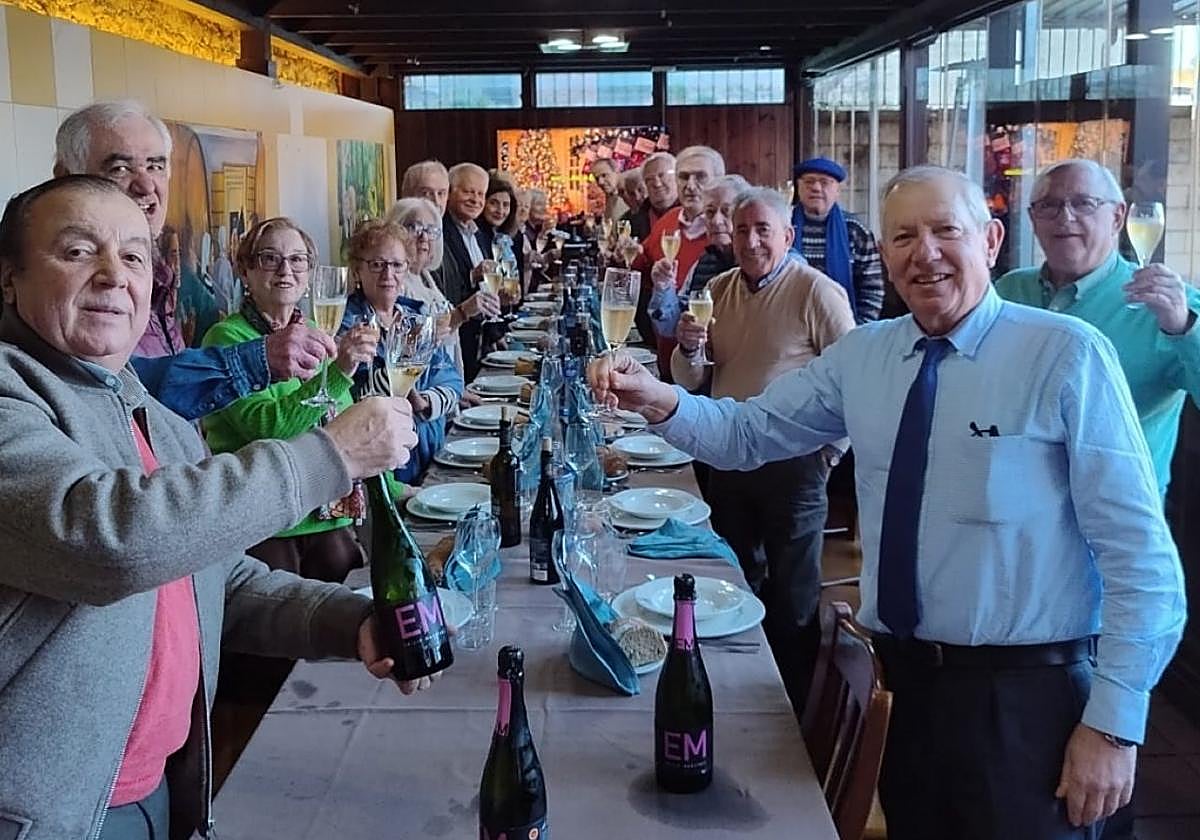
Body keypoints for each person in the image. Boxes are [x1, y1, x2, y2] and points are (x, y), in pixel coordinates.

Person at [589, 165, 1186, 840]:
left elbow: (1142, 560)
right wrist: (658, 399)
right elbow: (748, 432)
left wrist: (1113, 725)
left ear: (991, 241)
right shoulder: (867, 355)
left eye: (945, 231)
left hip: (1029, 700)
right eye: (903, 236)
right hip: (906, 688)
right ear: (884, 252)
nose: (924, 253)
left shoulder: (1066, 355)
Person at [0, 175, 426, 840]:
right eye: (78, 251)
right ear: (9, 279)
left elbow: (217, 577)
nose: (114, 275)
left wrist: (351, 624)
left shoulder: (153, 417)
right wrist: (331, 456)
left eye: (133, 255)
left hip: (159, 789)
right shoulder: (10, 398)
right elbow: (111, 539)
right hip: (45, 815)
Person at [672, 187, 853, 707]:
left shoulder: (816, 291)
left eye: (763, 230)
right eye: (742, 230)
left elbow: (854, 377)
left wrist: (829, 454)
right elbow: (691, 379)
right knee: (731, 579)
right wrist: (689, 348)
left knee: (794, 595)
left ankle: (792, 709)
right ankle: (733, 693)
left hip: (795, 464)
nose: (751, 241)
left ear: (787, 236)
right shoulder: (719, 289)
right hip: (728, 453)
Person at [53, 99, 336, 420]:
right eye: (120, 168)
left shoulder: (164, 275)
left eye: (155, 166)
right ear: (65, 177)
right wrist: (259, 360)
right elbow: (110, 388)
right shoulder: (60, 278)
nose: (146, 185)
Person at [996, 158, 1200, 500]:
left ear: (1118, 217)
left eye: (1083, 203)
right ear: (1033, 219)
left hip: (1116, 515)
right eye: (1049, 206)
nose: (1065, 217)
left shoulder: (1170, 306)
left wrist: (1183, 328)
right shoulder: (1010, 292)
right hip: (1015, 505)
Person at [202, 217, 378, 582]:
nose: (286, 270)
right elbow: (266, 429)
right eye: (270, 258)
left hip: (323, 510)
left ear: (309, 273)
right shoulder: (227, 338)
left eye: (297, 260)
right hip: (265, 513)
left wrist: (395, 488)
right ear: (246, 271)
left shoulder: (312, 331)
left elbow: (344, 425)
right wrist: (340, 371)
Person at [341, 219, 463, 484]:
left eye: (397, 265)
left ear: (407, 267)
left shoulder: (416, 315)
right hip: (383, 467)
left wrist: (425, 402)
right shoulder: (347, 326)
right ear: (357, 270)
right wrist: (407, 357)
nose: (388, 274)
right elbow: (357, 395)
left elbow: (452, 381)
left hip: (431, 450)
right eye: (377, 264)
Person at [639, 146, 725, 372]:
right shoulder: (667, 222)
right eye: (684, 177)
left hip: (715, 366)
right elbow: (645, 269)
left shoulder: (725, 235)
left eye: (700, 177)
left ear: (718, 180)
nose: (690, 185)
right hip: (670, 358)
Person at [647, 174, 750, 340]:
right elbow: (670, 327)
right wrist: (663, 287)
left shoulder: (758, 265)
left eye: (727, 212)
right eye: (710, 212)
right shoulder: (703, 262)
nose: (716, 221)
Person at [790, 157, 885, 324]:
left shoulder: (855, 230)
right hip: (790, 324)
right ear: (798, 187)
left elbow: (872, 288)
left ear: (837, 191)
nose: (816, 188)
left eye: (825, 182)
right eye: (809, 182)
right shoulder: (782, 225)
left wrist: (859, 331)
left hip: (843, 325)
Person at [435, 162, 502, 380]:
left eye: (481, 194)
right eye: (468, 192)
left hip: (477, 341)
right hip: (452, 340)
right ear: (450, 192)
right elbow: (443, 285)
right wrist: (473, 276)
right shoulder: (439, 232)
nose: (476, 199)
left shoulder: (479, 233)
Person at [387, 196, 466, 373]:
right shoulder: (394, 283)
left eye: (430, 230)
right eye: (414, 228)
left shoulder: (426, 277)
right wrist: (464, 312)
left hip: (444, 383)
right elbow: (403, 348)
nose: (424, 237)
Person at [591, 157, 628, 221]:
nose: (600, 182)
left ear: (617, 172)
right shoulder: (610, 197)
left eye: (604, 175)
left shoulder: (633, 195)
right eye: (597, 178)